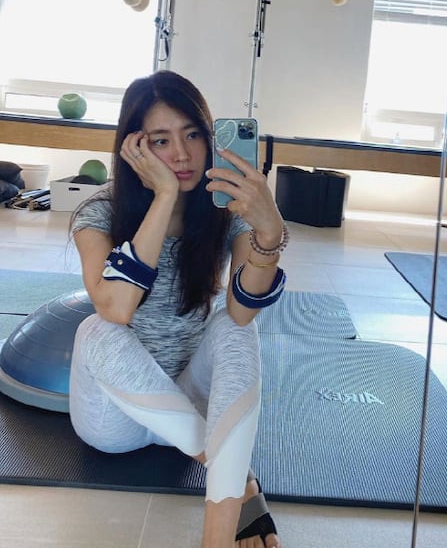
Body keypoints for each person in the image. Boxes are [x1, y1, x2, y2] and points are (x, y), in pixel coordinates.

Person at [68, 70, 287, 548]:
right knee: (95, 328)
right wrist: (164, 197)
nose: (182, 155)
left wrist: (269, 235)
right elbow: (116, 307)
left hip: (189, 399)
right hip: (115, 419)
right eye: (161, 141)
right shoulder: (98, 212)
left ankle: (215, 539)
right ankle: (236, 477)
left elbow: (242, 311)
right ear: (134, 148)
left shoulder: (224, 211)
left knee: (235, 329)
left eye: (192, 135)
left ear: (209, 138)